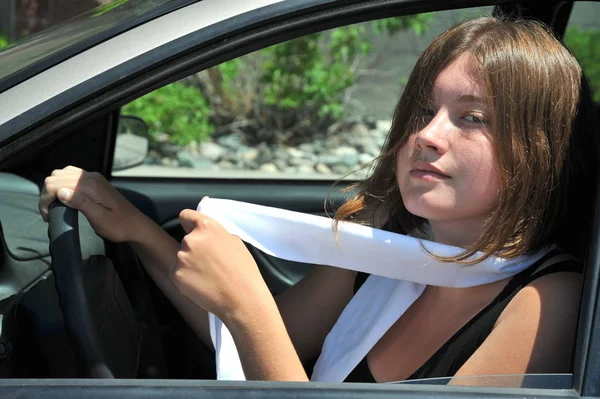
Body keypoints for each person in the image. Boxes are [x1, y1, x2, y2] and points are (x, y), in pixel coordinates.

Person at [39, 16, 593, 384]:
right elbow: (265, 340)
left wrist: (245, 304)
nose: (426, 135)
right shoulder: (389, 246)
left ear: (537, 150)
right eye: (423, 112)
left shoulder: (549, 300)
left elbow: (254, 325)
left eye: (472, 119)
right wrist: (137, 229)